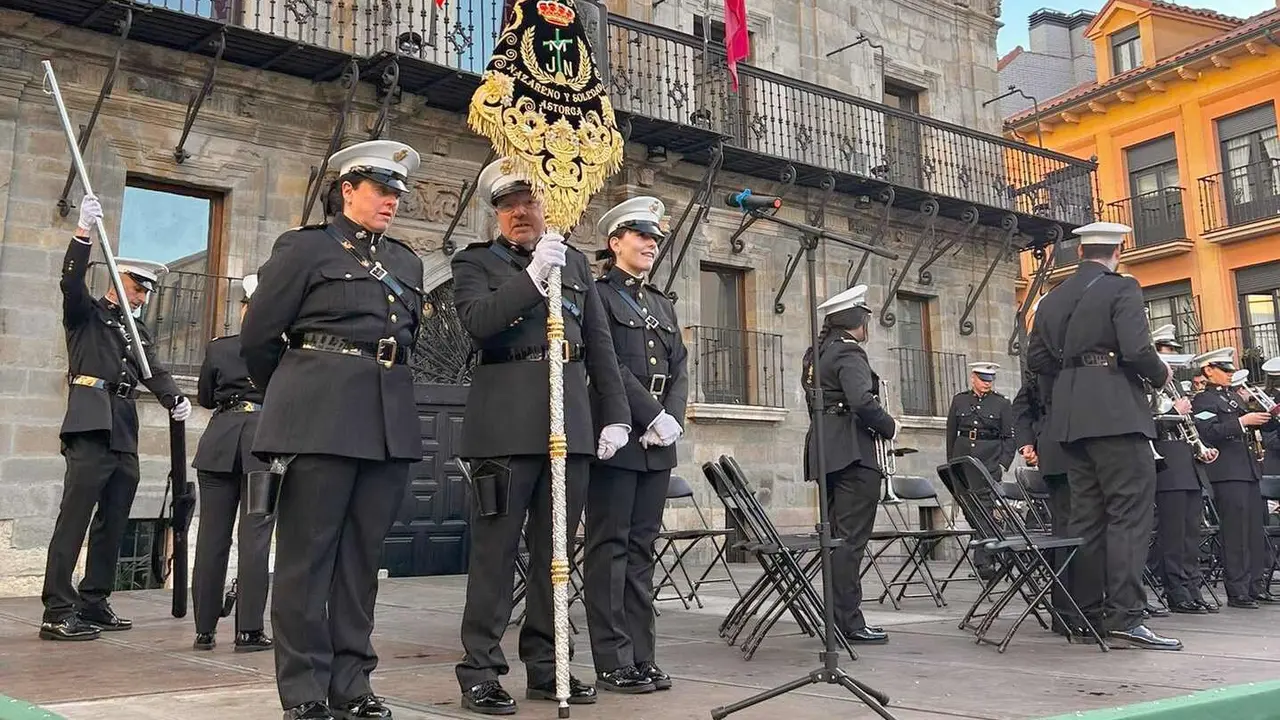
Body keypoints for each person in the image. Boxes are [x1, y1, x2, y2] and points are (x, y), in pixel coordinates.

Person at [241, 140, 426, 720]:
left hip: (386, 421)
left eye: (397, 193)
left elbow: (407, 341)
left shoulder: (406, 262)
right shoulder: (304, 249)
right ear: (347, 190)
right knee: (307, 559)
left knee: (360, 564)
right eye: (381, 190)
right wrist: (300, 396)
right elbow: (258, 339)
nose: (392, 201)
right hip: (319, 420)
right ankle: (304, 691)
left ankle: (352, 685)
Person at [451, 158, 630, 715]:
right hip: (503, 426)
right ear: (497, 214)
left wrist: (616, 414)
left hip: (567, 422)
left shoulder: (574, 263)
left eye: (528, 202)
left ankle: (549, 666)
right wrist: (531, 280)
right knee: (495, 555)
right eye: (507, 206)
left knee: (557, 555)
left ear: (548, 205)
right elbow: (479, 323)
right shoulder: (475, 263)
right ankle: (480, 671)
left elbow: (599, 343)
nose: (518, 213)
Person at [40, 194, 189, 642]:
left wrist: (174, 399)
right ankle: (57, 609)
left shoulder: (136, 331)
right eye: (137, 288)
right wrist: (82, 233)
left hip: (123, 427)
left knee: (114, 519)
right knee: (74, 518)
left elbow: (152, 370)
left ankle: (94, 600)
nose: (141, 297)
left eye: (146, 292)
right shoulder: (86, 315)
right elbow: (69, 283)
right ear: (117, 280)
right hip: (90, 423)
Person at [1026, 221, 1180, 651]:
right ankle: (1126, 615)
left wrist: (1074, 380)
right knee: (1129, 515)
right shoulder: (1122, 287)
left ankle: (1087, 613)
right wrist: (1161, 374)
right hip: (1116, 415)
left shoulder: (1052, 298)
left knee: (1087, 519)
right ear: (1118, 251)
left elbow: (1038, 360)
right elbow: (1137, 349)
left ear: (1080, 253)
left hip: (1071, 419)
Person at [583, 197, 688, 695]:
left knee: (642, 549)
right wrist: (649, 414)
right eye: (641, 236)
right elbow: (608, 364)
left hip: (657, 440)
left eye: (655, 239)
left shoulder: (662, 304)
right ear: (615, 243)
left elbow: (680, 365)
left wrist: (672, 420)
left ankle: (643, 655)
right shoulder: (599, 296)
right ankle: (613, 659)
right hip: (619, 434)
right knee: (611, 548)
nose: (651, 245)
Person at [801, 284, 896, 645]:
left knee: (836, 540)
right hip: (853, 454)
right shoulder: (850, 352)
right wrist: (890, 426)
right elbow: (862, 401)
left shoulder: (816, 354)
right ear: (858, 320)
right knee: (850, 542)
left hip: (825, 451)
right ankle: (850, 621)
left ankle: (836, 617)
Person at [190, 273, 275, 652]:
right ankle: (249, 631)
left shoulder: (220, 348)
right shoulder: (281, 351)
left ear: (244, 309)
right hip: (262, 443)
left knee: (212, 538)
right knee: (255, 537)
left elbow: (206, 398)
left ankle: (204, 629)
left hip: (219, 441)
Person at [1190, 347, 1278, 609]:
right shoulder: (1203, 400)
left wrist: (1269, 418)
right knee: (1236, 533)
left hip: (1248, 470)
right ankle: (1238, 590)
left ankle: (1255, 585)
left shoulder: (1232, 397)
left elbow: (1252, 425)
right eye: (1224, 370)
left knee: (1254, 531)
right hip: (1227, 473)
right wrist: (1242, 422)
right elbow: (1208, 431)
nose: (1230, 374)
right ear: (1208, 370)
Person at [1146, 325, 1218, 615]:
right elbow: (1147, 424)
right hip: (1167, 465)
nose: (1173, 360)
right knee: (1173, 534)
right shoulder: (1148, 386)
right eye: (1168, 353)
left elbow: (1191, 425)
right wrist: (1174, 412)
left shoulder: (1175, 386)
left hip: (1188, 464)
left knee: (1191, 533)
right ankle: (1176, 591)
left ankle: (1192, 587)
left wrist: (1202, 447)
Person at [945, 361, 1015, 580]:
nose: (987, 384)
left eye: (990, 380)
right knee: (969, 508)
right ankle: (995, 551)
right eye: (983, 380)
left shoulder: (1002, 403)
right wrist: (951, 462)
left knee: (984, 508)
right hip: (963, 461)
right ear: (973, 378)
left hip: (989, 461)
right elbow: (951, 433)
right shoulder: (960, 400)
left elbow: (1009, 437)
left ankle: (984, 562)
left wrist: (1003, 463)